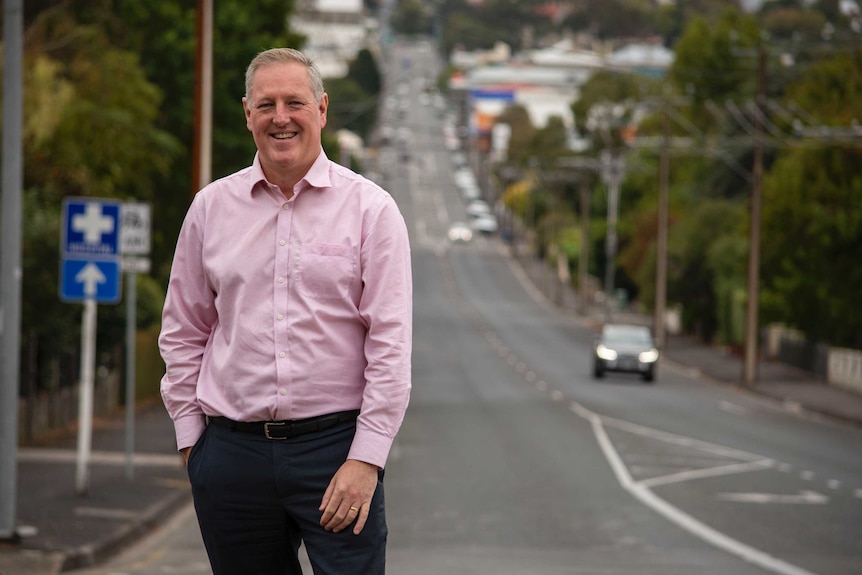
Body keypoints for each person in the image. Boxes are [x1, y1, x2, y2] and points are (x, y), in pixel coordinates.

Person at [158, 47, 412, 575]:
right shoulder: (210, 209)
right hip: (231, 455)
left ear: (322, 109)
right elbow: (184, 331)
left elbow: (390, 345)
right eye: (266, 104)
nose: (281, 117)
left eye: (294, 102)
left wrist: (366, 459)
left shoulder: (371, 210)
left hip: (337, 451)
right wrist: (193, 445)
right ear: (247, 114)